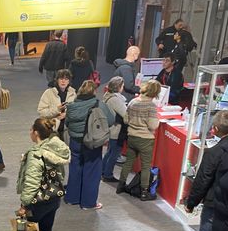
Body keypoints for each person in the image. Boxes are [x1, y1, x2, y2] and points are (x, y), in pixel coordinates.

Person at [16, 118, 71, 231]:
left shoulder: (36, 155)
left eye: (31, 130)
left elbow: (32, 183)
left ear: (36, 133)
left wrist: (24, 205)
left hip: (37, 202)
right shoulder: (56, 149)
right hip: (53, 199)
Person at [65, 80, 115, 210]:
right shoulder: (99, 105)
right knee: (92, 171)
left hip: (75, 142)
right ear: (94, 91)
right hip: (91, 142)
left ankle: (72, 198)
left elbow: (67, 123)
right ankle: (88, 203)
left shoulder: (72, 105)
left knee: (75, 169)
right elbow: (110, 120)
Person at [117, 80, 161, 201]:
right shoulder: (151, 106)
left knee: (128, 162)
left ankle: (121, 185)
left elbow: (126, 119)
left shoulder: (133, 101)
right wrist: (157, 120)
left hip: (132, 137)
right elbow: (152, 125)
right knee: (146, 166)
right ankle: (144, 192)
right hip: (145, 139)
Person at [101, 76, 128, 183]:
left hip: (111, 129)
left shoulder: (107, 96)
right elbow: (126, 115)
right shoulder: (115, 100)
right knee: (114, 153)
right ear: (119, 87)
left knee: (110, 152)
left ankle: (102, 171)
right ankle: (108, 174)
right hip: (116, 130)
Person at [37, 69, 77, 141]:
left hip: (68, 131)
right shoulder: (49, 93)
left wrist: (66, 114)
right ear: (57, 80)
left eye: (66, 79)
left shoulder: (73, 94)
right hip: (52, 131)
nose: (63, 81)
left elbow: (76, 111)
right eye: (61, 79)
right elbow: (41, 112)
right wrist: (57, 110)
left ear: (69, 81)